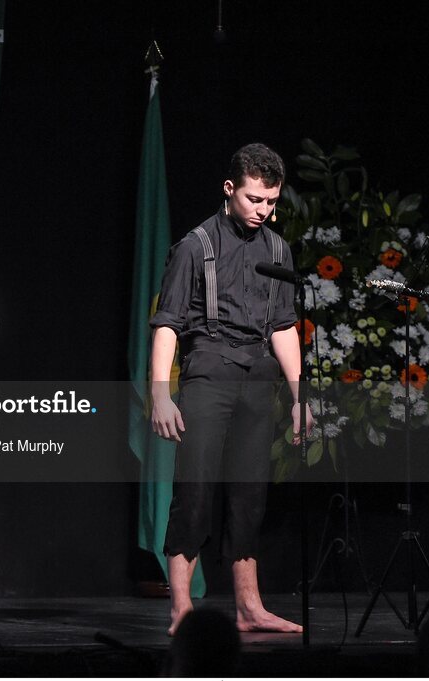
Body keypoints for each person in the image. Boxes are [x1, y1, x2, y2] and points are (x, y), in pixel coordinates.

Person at [149, 143, 311, 635]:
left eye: (271, 202)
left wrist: (300, 397)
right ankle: (181, 607)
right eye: (254, 199)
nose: (264, 210)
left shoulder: (278, 248)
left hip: (258, 375)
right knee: (194, 490)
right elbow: (169, 323)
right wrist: (160, 393)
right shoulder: (195, 245)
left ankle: (248, 606)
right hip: (209, 368)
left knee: (248, 494)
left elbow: (284, 326)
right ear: (230, 189)